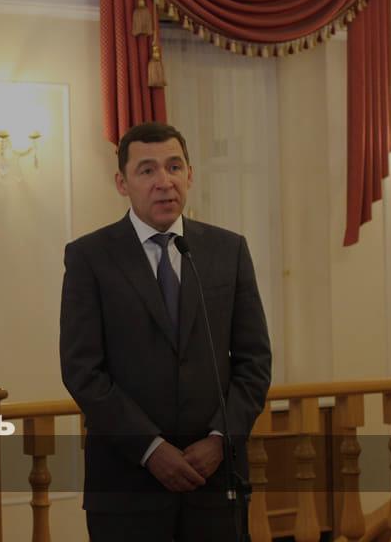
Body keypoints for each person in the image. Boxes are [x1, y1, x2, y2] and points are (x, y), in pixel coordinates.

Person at [59, 122, 272, 540]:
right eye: (147, 170)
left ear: (190, 175)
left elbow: (255, 361)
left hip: (214, 483)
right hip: (127, 487)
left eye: (174, 167)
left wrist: (220, 439)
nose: (164, 181)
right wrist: (150, 449)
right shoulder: (90, 257)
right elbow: (83, 370)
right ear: (122, 183)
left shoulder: (228, 250)